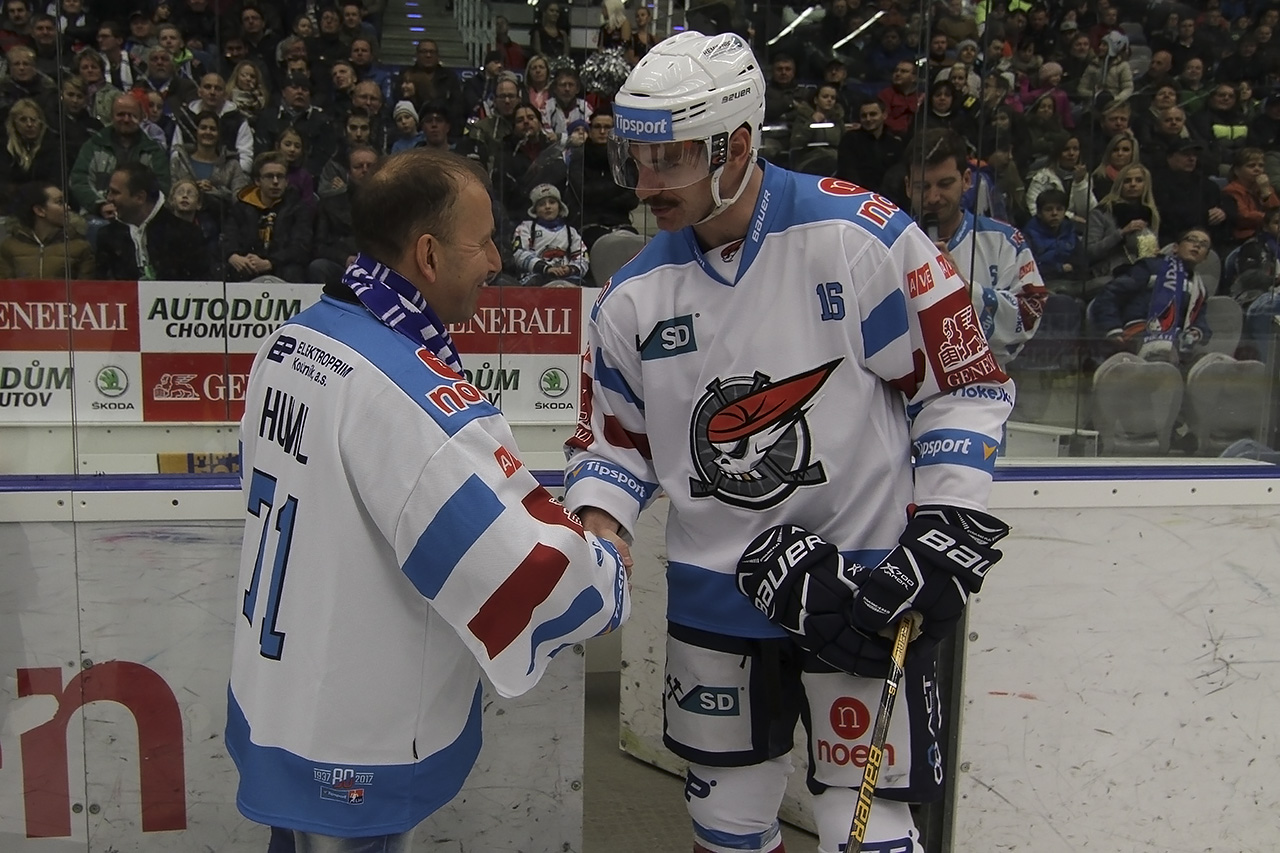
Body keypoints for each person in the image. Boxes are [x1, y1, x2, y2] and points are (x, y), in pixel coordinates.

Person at [568, 32, 1014, 853]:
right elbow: (613, 444)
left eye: (670, 158)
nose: (647, 182)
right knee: (725, 822)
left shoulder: (862, 237)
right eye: (636, 158)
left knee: (866, 828)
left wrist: (945, 522)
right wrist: (602, 523)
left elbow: (964, 384)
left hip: (864, 590)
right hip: (716, 598)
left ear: (737, 145)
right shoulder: (631, 297)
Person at [226, 147, 630, 851]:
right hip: (360, 743)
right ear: (428, 254)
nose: (497, 261)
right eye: (483, 243)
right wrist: (608, 567)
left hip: (277, 701)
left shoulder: (292, 340)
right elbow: (520, 573)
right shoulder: (411, 397)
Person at [904, 128, 1047, 366]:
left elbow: (1029, 313)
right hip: (910, 384)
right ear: (908, 187)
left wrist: (967, 292)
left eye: (945, 184)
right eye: (922, 187)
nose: (933, 197)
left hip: (982, 384)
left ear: (967, 180)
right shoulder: (888, 245)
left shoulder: (1004, 241)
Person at [1090, 227, 1213, 364]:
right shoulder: (1150, 267)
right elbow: (1110, 295)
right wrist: (1112, 328)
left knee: (1206, 360)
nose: (1197, 245)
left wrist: (1197, 331)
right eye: (1191, 240)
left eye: (1203, 244)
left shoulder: (1199, 289)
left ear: (1205, 258)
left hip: (1177, 338)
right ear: (1175, 248)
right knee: (1163, 353)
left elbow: (1200, 320)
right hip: (1139, 331)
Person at [95, 162, 210, 279]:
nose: (109, 198)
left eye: (115, 192)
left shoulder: (187, 235)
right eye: (109, 192)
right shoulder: (107, 237)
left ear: (140, 197)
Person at [69, 94, 170, 216]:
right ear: (112, 116)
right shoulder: (93, 146)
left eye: (132, 115)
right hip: (97, 216)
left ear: (141, 118)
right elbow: (79, 181)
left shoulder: (153, 151)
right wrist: (100, 205)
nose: (126, 119)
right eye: (121, 114)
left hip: (141, 218)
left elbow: (162, 187)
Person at [224, 151, 314, 282]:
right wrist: (233, 256)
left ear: (286, 181)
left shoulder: (297, 207)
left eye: (280, 176)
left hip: (282, 267)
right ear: (257, 181)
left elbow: (301, 246)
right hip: (247, 265)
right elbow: (229, 237)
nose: (275, 182)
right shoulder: (241, 207)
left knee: (293, 270)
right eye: (269, 176)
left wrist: (270, 262)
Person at [1083, 163, 1161, 296]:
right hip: (1107, 274)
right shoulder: (1101, 212)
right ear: (1119, 184)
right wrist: (1121, 233)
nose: (1133, 184)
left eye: (1138, 180)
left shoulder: (1151, 214)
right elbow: (1089, 252)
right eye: (1127, 181)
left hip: (1141, 273)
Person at [565, 110, 638, 247]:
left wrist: (598, 195)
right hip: (588, 223)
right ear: (590, 130)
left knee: (633, 245)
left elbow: (632, 198)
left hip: (620, 221)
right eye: (597, 127)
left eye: (607, 127)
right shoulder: (579, 157)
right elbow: (582, 194)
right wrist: (616, 187)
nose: (603, 131)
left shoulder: (625, 159)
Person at [307, 143, 378, 284]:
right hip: (343, 264)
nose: (365, 170)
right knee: (318, 267)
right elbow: (319, 246)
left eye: (370, 166)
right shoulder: (329, 204)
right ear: (348, 172)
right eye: (358, 166)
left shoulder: (395, 204)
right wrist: (345, 258)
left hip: (382, 268)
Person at [0, 180, 94, 278]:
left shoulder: (80, 246)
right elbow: (4, 284)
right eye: (59, 202)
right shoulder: (10, 246)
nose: (68, 207)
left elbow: (85, 286)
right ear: (40, 210)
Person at [169, 109, 248, 211]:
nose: (208, 132)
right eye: (203, 128)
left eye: (213, 129)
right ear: (196, 132)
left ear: (219, 134)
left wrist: (215, 191)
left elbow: (240, 200)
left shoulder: (232, 165)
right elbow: (171, 196)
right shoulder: (179, 162)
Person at [512, 182, 588, 286]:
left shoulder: (571, 232)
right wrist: (545, 268)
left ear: (559, 206)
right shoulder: (526, 228)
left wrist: (570, 269)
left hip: (566, 279)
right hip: (536, 278)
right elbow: (519, 254)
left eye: (552, 202)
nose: (547, 207)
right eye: (541, 204)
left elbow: (583, 258)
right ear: (535, 209)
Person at [836, 99, 905, 198]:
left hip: (888, 198)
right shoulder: (850, 139)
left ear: (884, 115)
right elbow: (847, 172)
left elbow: (898, 175)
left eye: (873, 114)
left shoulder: (895, 143)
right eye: (864, 116)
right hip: (857, 196)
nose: (868, 119)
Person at [1024, 187, 1083, 287]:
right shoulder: (1029, 235)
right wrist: (1059, 268)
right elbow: (1029, 267)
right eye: (1048, 209)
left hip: (1074, 281)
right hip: (1044, 284)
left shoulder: (1070, 229)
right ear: (1039, 213)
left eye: (1059, 209)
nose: (1054, 213)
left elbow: (1081, 260)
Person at [1222, 146, 1280, 247]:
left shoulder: (1264, 186)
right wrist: (1269, 219)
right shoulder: (1231, 190)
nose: (1257, 169)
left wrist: (1266, 191)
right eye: (1251, 166)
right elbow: (1244, 216)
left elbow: (1276, 211)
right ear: (1237, 170)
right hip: (1244, 238)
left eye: (1261, 166)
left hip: (1269, 233)